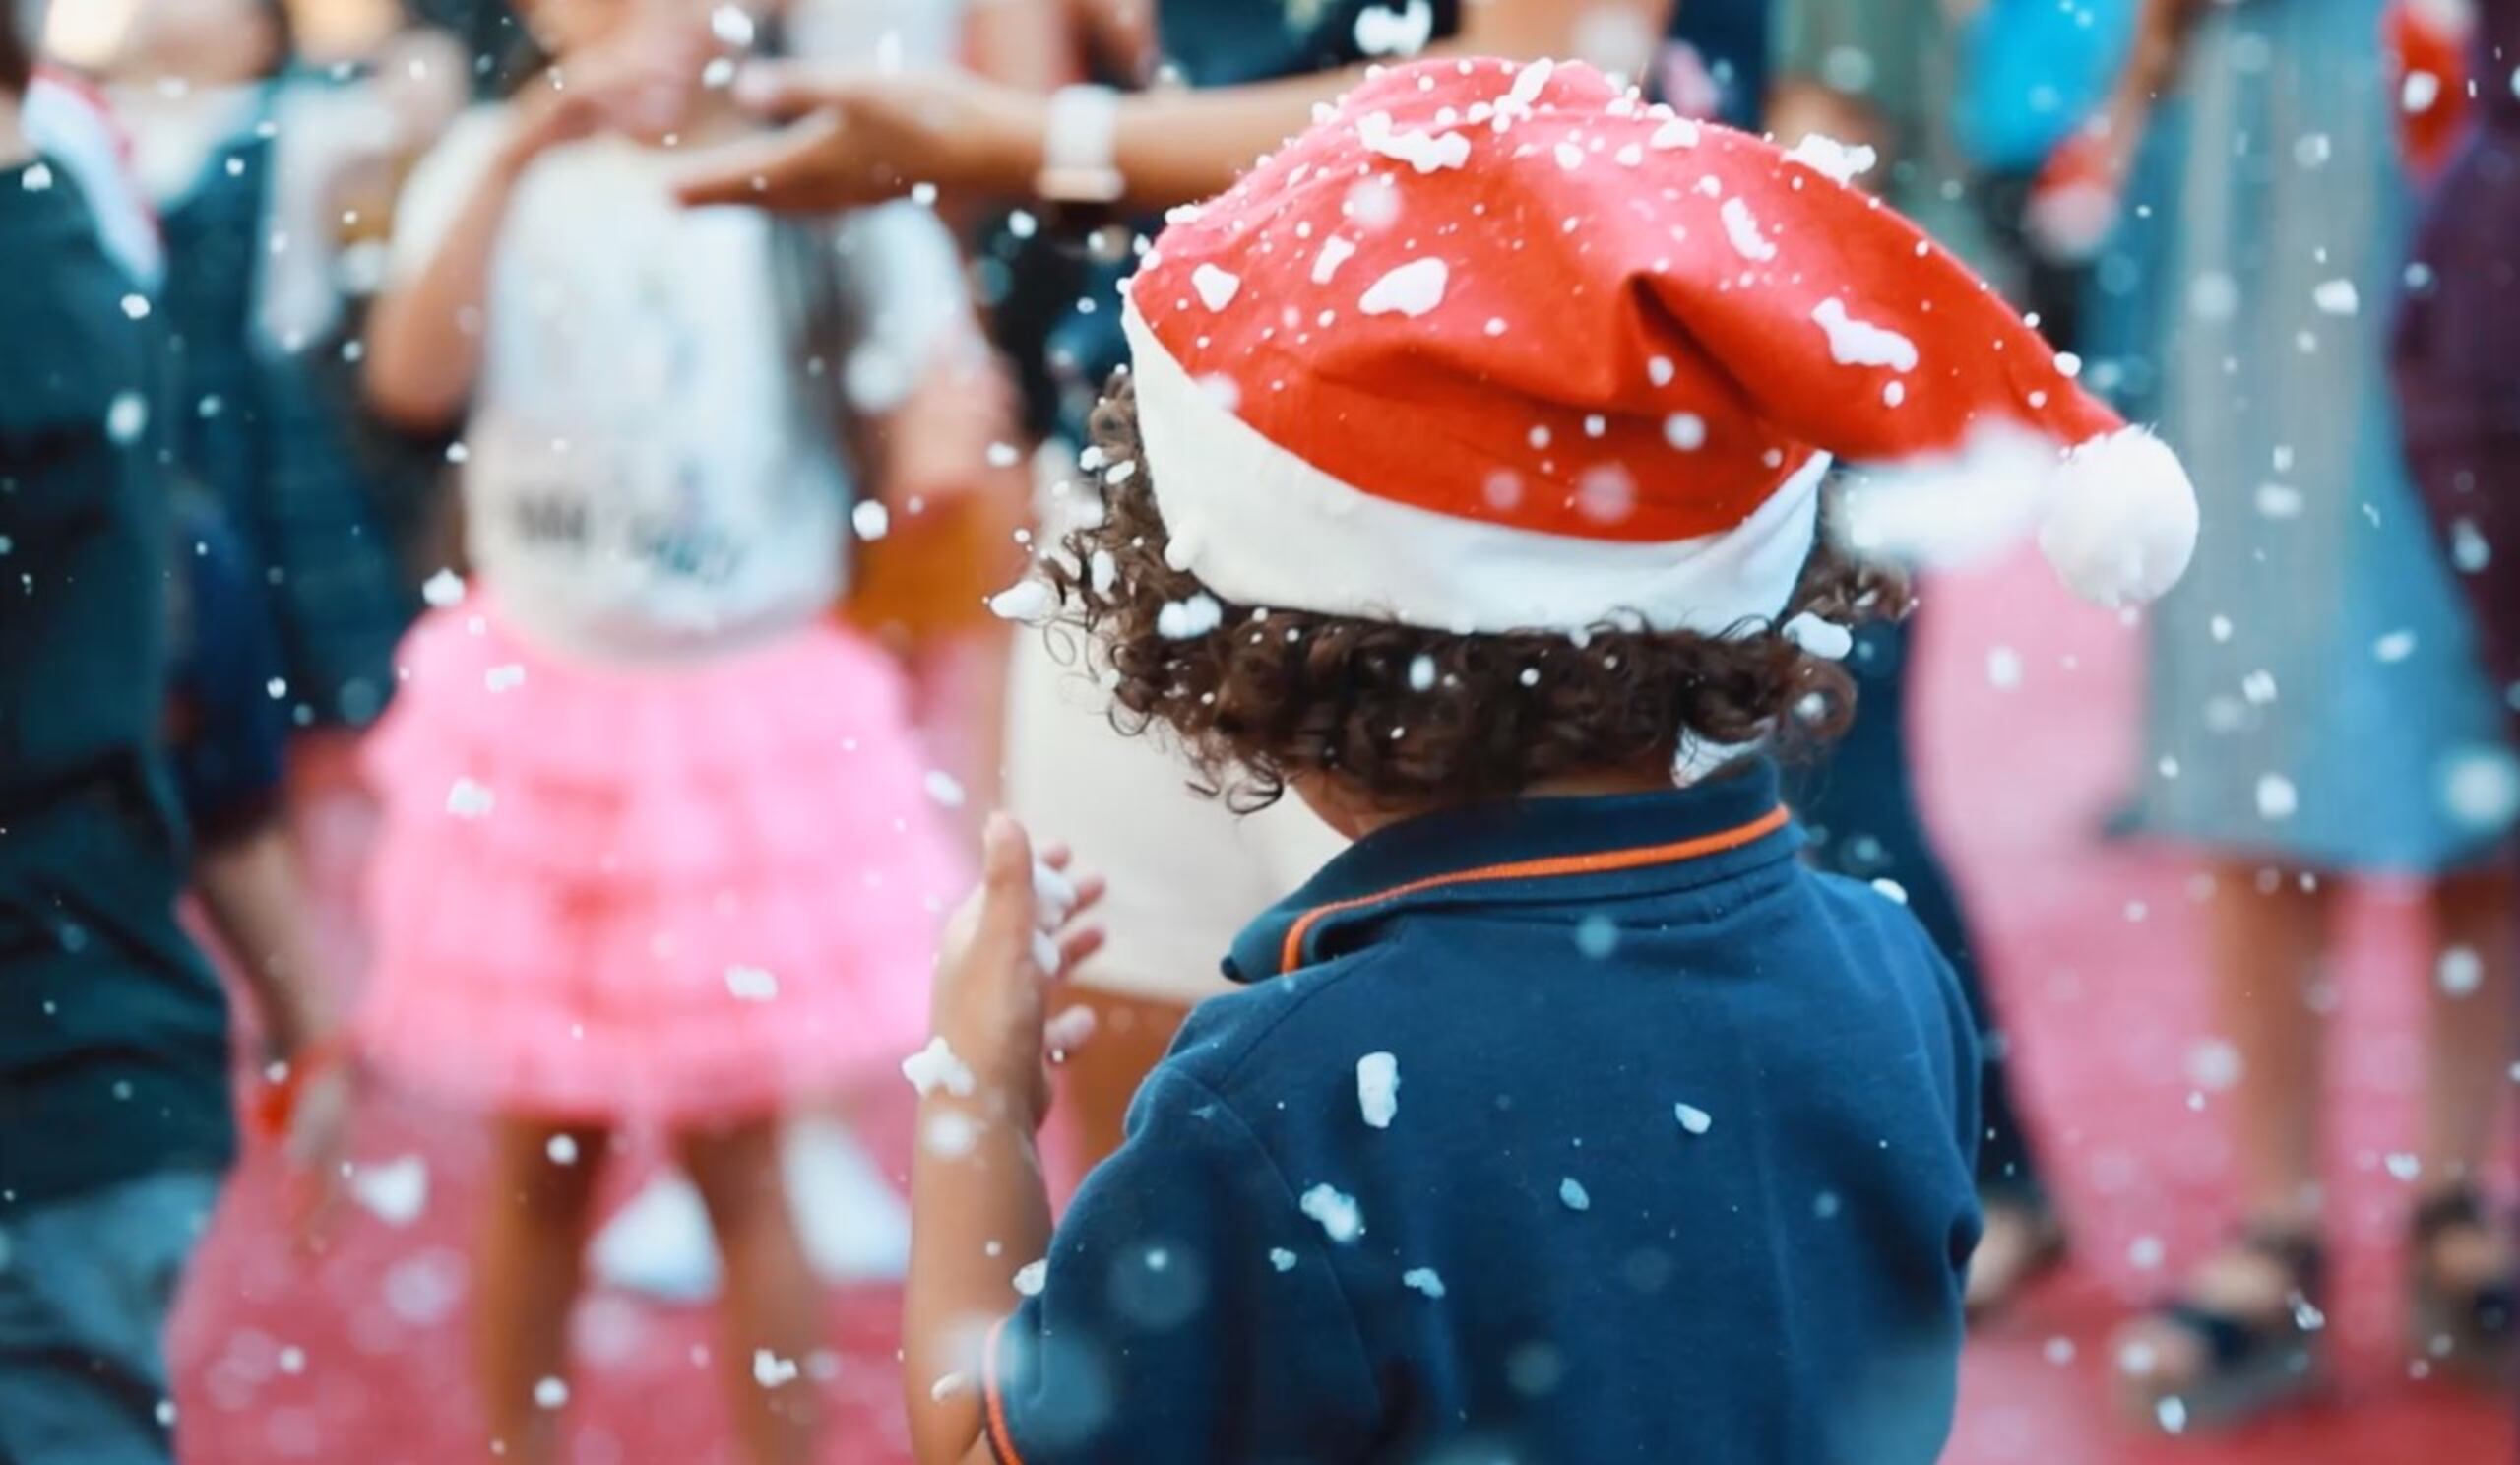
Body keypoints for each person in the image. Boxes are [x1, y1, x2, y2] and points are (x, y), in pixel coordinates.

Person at [873, 56, 2204, 1463]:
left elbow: (977, 1446)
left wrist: (975, 1095)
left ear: (1248, 661)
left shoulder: (1278, 1100)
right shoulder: (1891, 980)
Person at [692, 0, 1678, 1177]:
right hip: (1141, 453)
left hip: (1450, 506)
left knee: (1472, 1142)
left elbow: (1535, 83)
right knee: (1143, 1117)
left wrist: (1033, 138)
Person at [357, 2, 966, 1461]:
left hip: (736, 709)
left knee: (741, 1148)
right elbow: (409, 380)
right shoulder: (495, 163)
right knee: (542, 1155)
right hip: (544, 705)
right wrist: (512, 149)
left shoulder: (813, 168)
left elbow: (934, 390)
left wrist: (940, 444)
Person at [2066, 0, 2520, 1428]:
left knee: (2483, 704)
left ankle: (2460, 1196)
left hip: (2452, 129)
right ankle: (2285, 1219)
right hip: (2259, 147)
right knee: (2254, 716)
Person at [0, 5, 338, 1459]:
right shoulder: (84, 294)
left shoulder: (45, 327)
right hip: (98, 1057)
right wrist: (308, 1018)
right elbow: (217, 751)